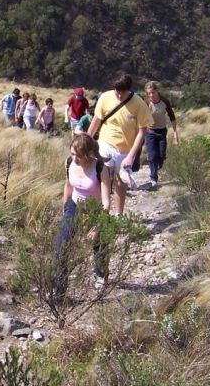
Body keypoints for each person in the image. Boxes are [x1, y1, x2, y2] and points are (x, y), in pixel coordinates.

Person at [85, 72, 153, 216]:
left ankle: (119, 214)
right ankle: (100, 213)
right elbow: (96, 121)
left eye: (123, 92)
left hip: (125, 150)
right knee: (103, 178)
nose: (120, 95)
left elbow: (142, 132)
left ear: (128, 89)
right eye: (117, 91)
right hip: (105, 143)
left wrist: (131, 156)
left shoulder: (139, 104)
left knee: (121, 183)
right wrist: (86, 142)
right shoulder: (105, 98)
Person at [56, 134, 109, 292]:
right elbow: (68, 186)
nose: (75, 158)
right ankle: (59, 289)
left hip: (95, 209)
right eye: (72, 154)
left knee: (99, 244)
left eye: (78, 155)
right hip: (74, 205)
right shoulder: (69, 163)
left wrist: (97, 226)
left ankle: (100, 274)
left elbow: (106, 201)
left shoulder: (100, 168)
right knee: (61, 244)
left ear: (88, 154)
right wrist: (65, 209)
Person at [143, 81, 180, 189]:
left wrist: (175, 132)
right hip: (150, 132)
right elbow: (140, 117)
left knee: (161, 155)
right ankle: (153, 178)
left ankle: (158, 166)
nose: (151, 95)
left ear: (157, 91)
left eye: (152, 92)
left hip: (162, 131)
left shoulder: (165, 101)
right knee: (152, 155)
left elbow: (172, 116)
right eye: (148, 93)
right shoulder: (146, 103)